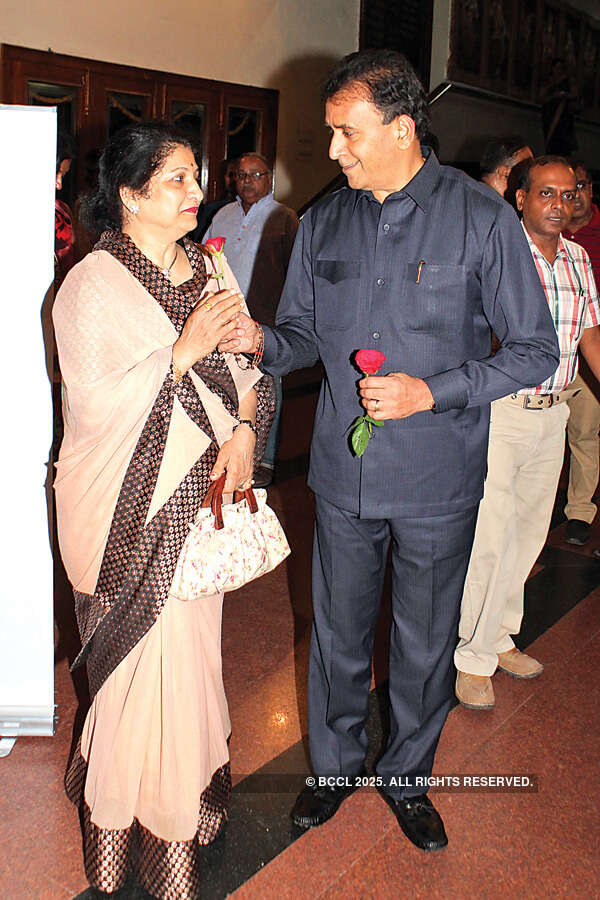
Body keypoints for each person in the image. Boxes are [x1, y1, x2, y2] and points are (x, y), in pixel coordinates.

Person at [221, 50, 560, 851]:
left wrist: (430, 391)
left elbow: (534, 349)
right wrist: (257, 338)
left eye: (349, 133)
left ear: (402, 128)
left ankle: (409, 779)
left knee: (421, 640)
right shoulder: (325, 220)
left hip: (439, 474)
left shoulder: (482, 220)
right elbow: (302, 336)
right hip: (343, 475)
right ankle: (334, 771)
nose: (334, 150)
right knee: (335, 633)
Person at [53, 122, 275, 898]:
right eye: (177, 180)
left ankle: (180, 809)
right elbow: (94, 406)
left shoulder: (207, 270)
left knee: (188, 668)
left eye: (194, 177)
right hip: (124, 513)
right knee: (135, 677)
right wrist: (179, 353)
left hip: (203, 512)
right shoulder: (89, 287)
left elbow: (250, 370)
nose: (196, 193)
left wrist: (247, 427)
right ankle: (132, 838)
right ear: (129, 194)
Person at [456, 157, 600, 711]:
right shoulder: (497, 248)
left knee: (528, 535)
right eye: (547, 193)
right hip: (502, 410)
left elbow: (588, 336)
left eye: (569, 194)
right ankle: (471, 657)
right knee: (490, 538)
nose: (559, 204)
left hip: (554, 411)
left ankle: (496, 637)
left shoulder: (579, 259)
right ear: (520, 197)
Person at [204, 153, 299, 486]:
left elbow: (296, 274)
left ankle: (266, 459)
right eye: (241, 175)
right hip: (228, 315)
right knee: (232, 384)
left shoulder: (284, 218)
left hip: (266, 319)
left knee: (267, 387)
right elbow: (206, 258)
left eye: (255, 175)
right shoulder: (223, 215)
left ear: (268, 178)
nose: (247, 181)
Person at [562, 161, 600, 546]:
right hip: (555, 349)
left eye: (580, 186)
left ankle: (579, 511)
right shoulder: (549, 232)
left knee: (585, 433)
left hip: (591, 347)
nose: (574, 196)